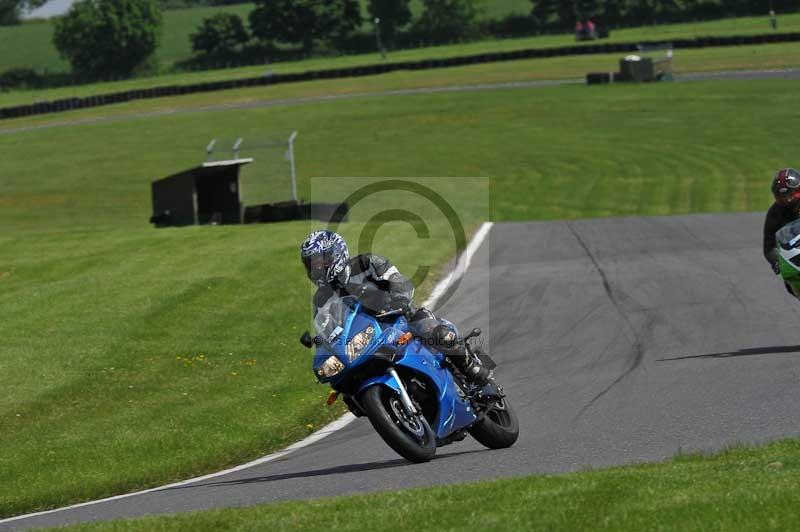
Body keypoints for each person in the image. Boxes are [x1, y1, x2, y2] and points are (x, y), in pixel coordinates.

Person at [300, 229, 492, 385]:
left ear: (335, 253)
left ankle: (470, 366)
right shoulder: (321, 299)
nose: (316, 270)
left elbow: (398, 281)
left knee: (434, 331)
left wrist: (399, 301)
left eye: (319, 262)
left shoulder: (366, 263)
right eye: (311, 265)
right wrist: (321, 342)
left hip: (399, 318)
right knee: (343, 383)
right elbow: (326, 326)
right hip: (366, 341)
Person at [763, 168, 800, 275]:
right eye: (783, 196)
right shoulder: (775, 213)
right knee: (791, 280)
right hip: (795, 255)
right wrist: (776, 262)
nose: (787, 199)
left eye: (790, 194)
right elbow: (769, 246)